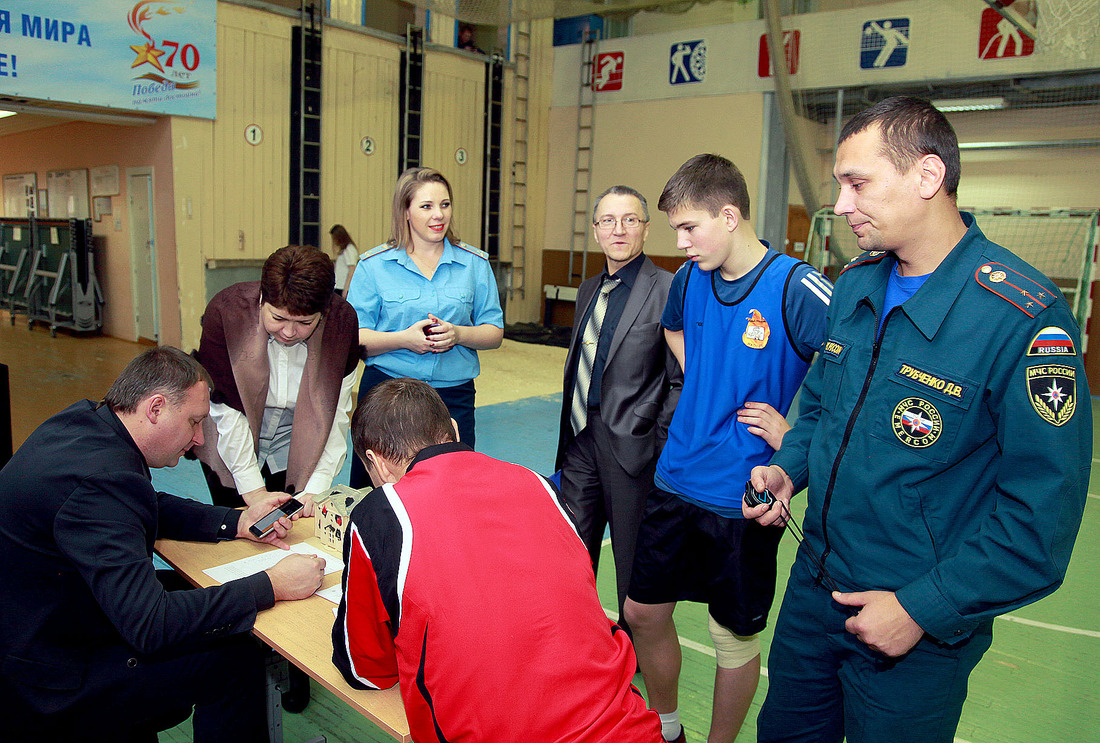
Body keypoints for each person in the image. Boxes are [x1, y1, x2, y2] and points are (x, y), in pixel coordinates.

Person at [746, 96, 1091, 743]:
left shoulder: (1022, 319)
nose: (842, 205)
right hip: (813, 591)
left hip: (915, 629)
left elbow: (1039, 521)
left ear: (928, 177)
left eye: (857, 183)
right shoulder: (855, 285)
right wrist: (788, 471)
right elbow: (821, 405)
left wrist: (921, 609)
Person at [0, 346, 325, 743]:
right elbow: (151, 625)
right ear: (155, 408)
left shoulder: (87, 424)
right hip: (52, 678)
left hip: (45, 617)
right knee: (234, 661)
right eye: (193, 422)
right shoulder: (102, 483)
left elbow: (139, 503)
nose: (198, 438)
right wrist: (272, 585)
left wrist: (237, 520)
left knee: (197, 596)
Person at [622, 154, 832, 743]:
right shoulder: (691, 278)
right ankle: (666, 727)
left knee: (731, 638)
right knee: (642, 613)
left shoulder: (796, 286)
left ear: (731, 215)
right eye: (676, 232)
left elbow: (851, 372)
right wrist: (705, 379)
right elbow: (672, 328)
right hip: (675, 478)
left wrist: (793, 437)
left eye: (690, 228)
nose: (682, 244)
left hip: (745, 494)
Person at [331, 378, 662, 742]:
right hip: (632, 727)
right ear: (454, 430)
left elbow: (367, 671)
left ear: (374, 462)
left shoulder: (380, 514)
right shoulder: (540, 484)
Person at [555, 184, 681, 636]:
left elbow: (679, 378)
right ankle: (581, 637)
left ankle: (633, 649)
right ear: (595, 231)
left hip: (631, 447)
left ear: (646, 229)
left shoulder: (668, 288)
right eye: (608, 220)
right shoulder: (589, 288)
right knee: (573, 549)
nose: (618, 229)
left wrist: (655, 439)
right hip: (579, 443)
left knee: (630, 559)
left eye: (630, 219)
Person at [345, 166, 503, 488]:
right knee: (375, 491)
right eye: (426, 206)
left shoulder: (474, 264)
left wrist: (459, 334)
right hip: (387, 394)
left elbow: (494, 332)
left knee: (453, 489)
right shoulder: (374, 266)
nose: (438, 215)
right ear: (405, 211)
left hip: (452, 397)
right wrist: (403, 340)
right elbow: (354, 337)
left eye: (445, 205)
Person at [193, 244, 359, 513]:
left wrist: (316, 488)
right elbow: (227, 412)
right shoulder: (226, 313)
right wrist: (253, 491)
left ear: (324, 312)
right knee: (237, 521)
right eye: (278, 318)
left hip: (296, 441)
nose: (290, 332)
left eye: (305, 323)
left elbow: (335, 414)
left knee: (289, 520)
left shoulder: (342, 324)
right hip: (231, 438)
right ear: (262, 301)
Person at [330, 224, 359, 295]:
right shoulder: (343, 250)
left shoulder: (349, 249)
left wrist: (346, 289)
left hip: (343, 287)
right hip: (338, 285)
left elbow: (352, 269)